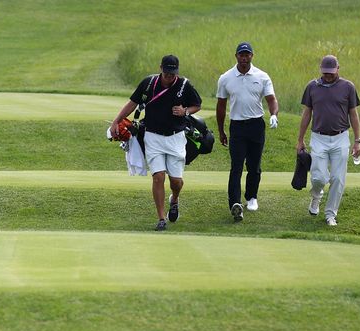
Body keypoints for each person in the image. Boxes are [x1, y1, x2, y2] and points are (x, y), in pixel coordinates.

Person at [111, 54, 202, 231]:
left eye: (173, 73)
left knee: (176, 181)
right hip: (152, 136)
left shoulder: (184, 85)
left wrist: (185, 111)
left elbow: (196, 105)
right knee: (158, 176)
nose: (170, 76)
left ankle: (174, 199)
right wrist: (117, 120)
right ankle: (161, 218)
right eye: (167, 72)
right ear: (161, 68)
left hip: (176, 137)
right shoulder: (148, 83)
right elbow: (132, 103)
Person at [215, 42, 278, 222]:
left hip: (256, 125)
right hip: (237, 127)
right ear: (236, 56)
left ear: (252, 56)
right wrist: (221, 130)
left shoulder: (262, 76)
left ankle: (251, 196)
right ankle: (235, 203)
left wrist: (273, 114)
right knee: (236, 166)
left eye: (247, 54)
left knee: (254, 165)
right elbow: (221, 106)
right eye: (241, 55)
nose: (244, 58)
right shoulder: (226, 78)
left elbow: (271, 99)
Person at [297, 54, 360, 227]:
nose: (328, 76)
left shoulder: (348, 87)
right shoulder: (312, 87)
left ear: (338, 69)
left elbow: (353, 114)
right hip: (318, 138)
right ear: (321, 70)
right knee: (318, 178)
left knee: (338, 179)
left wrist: (357, 140)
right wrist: (300, 139)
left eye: (331, 72)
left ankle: (330, 214)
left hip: (341, 138)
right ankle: (316, 196)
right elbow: (307, 114)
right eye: (325, 73)